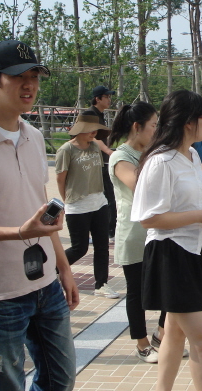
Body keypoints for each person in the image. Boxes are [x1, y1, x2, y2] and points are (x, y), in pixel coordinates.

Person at [0, 39, 77, 390]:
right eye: (18, 76)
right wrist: (18, 232)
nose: (29, 85)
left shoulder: (34, 137)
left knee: (60, 379)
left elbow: (40, 210)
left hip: (45, 285)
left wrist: (64, 268)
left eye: (34, 76)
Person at [132, 90, 202, 391]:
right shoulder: (160, 162)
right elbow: (149, 218)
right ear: (189, 122)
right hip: (170, 254)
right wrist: (201, 214)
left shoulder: (192, 155)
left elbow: (190, 199)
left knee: (174, 332)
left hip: (195, 250)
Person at [108, 101, 164, 363]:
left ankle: (161, 337)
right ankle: (142, 344)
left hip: (157, 231)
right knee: (137, 292)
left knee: (167, 287)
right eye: (153, 125)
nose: (157, 130)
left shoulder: (153, 152)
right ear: (136, 127)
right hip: (133, 233)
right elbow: (139, 185)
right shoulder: (120, 157)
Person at [56, 114, 119, 299]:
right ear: (80, 130)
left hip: (99, 202)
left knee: (102, 246)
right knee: (79, 248)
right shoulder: (66, 150)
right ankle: (52, 271)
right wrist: (66, 201)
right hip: (77, 205)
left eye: (96, 130)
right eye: (90, 129)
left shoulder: (94, 146)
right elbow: (60, 179)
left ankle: (101, 284)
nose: (94, 133)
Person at [82, 85, 117, 241]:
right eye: (106, 97)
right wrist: (109, 152)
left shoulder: (100, 115)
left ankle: (106, 230)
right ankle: (109, 231)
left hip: (101, 162)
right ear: (98, 99)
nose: (109, 100)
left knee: (104, 197)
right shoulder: (89, 114)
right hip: (93, 163)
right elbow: (92, 138)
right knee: (105, 197)